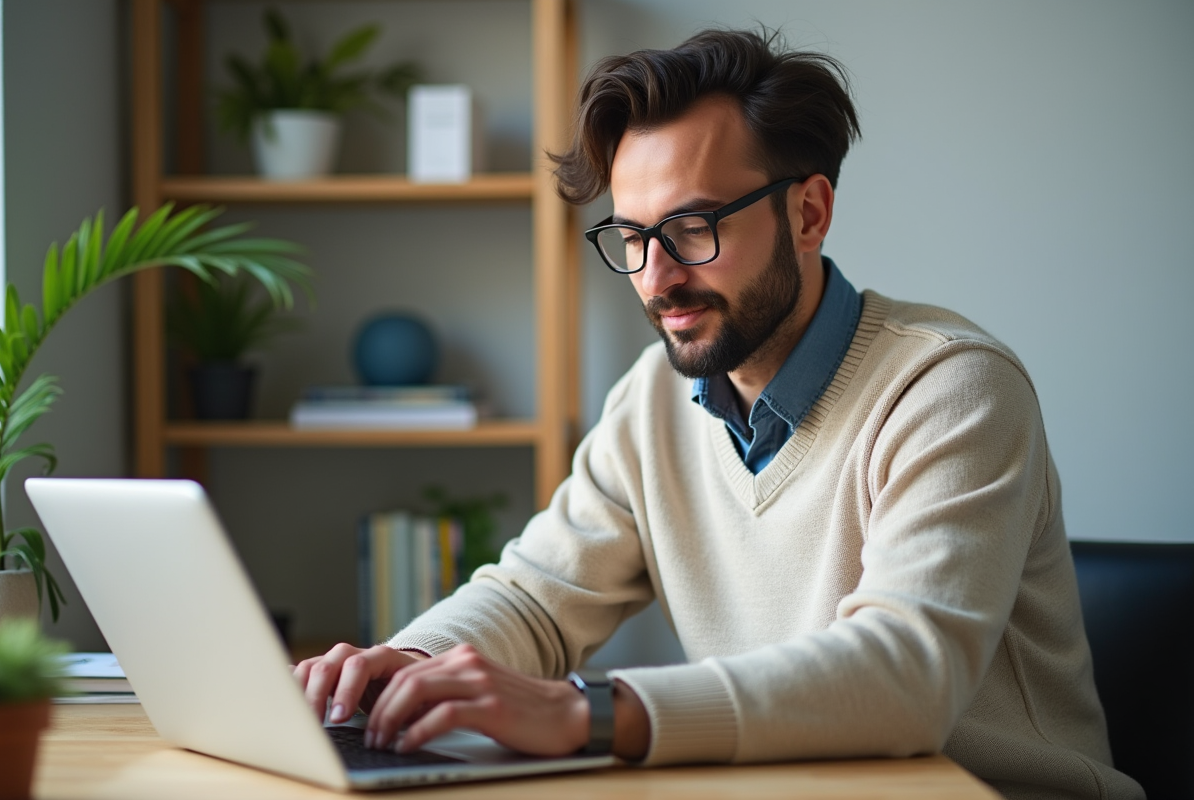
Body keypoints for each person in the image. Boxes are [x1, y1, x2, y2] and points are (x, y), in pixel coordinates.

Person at [295, 29, 1143, 799]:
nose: (656, 278)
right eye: (631, 237)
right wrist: (407, 665)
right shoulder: (652, 401)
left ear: (808, 213)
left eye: (692, 226)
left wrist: (586, 712)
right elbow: (539, 597)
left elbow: (904, 676)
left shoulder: (952, 388)